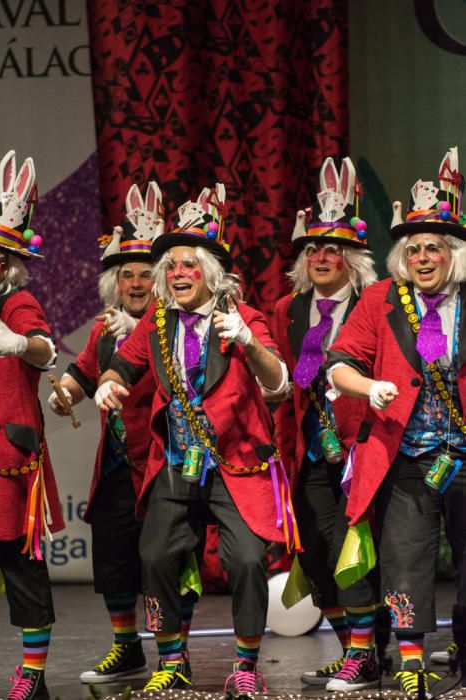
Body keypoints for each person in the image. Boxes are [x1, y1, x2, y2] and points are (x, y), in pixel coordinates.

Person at [94, 184, 298, 693]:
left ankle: (246, 666)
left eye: (188, 265)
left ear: (210, 274)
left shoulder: (242, 318)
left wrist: (250, 345)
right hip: (178, 463)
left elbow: (278, 385)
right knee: (155, 553)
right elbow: (124, 365)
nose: (177, 274)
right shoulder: (159, 323)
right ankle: (171, 658)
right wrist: (106, 385)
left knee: (248, 561)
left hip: (236, 466)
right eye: (172, 267)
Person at [326, 147, 466, 697]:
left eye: (434, 247)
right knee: (405, 555)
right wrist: (370, 387)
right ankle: (410, 661)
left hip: (464, 452)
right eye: (413, 249)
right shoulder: (382, 299)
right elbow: (338, 363)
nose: (423, 257)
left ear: (453, 253)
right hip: (406, 451)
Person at [48, 182, 198, 685]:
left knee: (168, 558)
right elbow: (84, 376)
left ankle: (174, 656)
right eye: (127, 275)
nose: (136, 283)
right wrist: (64, 394)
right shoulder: (104, 329)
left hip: (162, 459)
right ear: (117, 281)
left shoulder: (172, 324)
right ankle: (127, 648)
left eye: (144, 275)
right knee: (112, 553)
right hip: (115, 462)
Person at [271, 157, 380, 691]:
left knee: (349, 550)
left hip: (362, 447)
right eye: (312, 248)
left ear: (352, 258)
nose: (320, 257)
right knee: (314, 550)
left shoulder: (375, 304)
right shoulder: (286, 310)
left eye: (332, 249)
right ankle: (352, 648)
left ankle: (366, 655)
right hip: (309, 449)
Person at [0, 150, 64, 700]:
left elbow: (45, 350)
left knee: (22, 569)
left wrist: (20, 343)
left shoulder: (17, 303)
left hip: (7, 464)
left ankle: (33, 673)